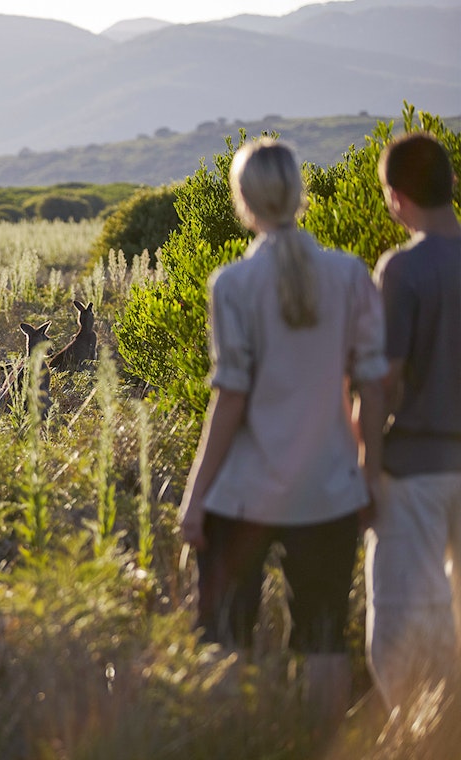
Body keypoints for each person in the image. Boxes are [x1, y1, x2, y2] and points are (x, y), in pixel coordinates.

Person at [178, 139, 387, 739]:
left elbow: (231, 398)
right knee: (323, 637)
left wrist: (196, 496)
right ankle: (322, 747)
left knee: (225, 634)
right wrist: (367, 478)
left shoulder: (234, 284)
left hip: (245, 493)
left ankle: (232, 744)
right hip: (329, 490)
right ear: (299, 194)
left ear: (242, 200)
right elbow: (370, 387)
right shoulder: (349, 274)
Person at [364, 131, 461, 714]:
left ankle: (420, 729)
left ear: (397, 197)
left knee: (404, 615)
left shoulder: (402, 269)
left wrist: (367, 472)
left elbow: (384, 381)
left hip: (417, 470)